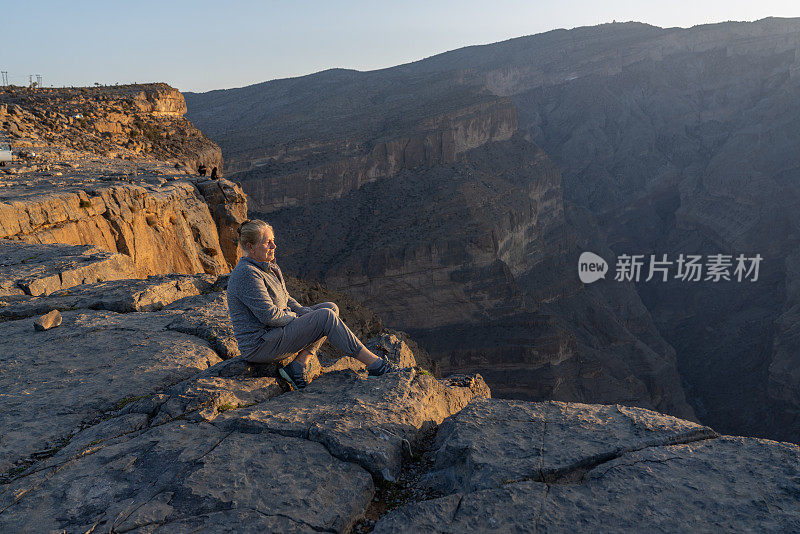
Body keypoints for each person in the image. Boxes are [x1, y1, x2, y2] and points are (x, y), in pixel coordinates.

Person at [227, 219, 407, 389]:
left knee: (330, 308)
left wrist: (304, 312)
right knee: (325, 317)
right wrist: (300, 318)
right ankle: (376, 365)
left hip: (276, 334)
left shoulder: (269, 267)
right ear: (250, 247)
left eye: (273, 241)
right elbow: (269, 316)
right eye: (267, 243)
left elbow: (287, 298)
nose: (274, 246)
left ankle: (298, 366)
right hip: (260, 345)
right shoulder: (247, 274)